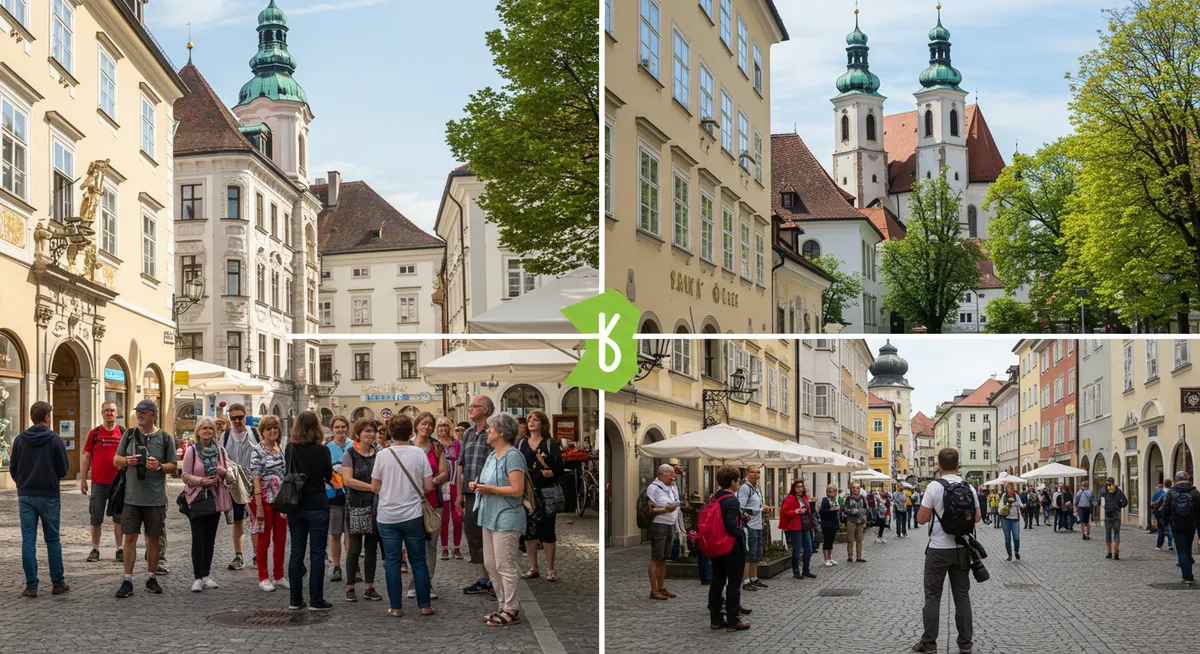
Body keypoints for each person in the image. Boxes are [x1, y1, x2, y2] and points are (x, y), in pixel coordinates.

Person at [913, 448, 980, 654]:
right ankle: (965, 645)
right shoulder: (968, 487)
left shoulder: (934, 487)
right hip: (961, 548)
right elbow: (977, 518)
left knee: (933, 597)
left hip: (938, 549)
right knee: (962, 596)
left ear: (938, 466)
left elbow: (921, 519)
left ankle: (929, 644)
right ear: (958, 465)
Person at [370, 415, 434, 617]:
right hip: (413, 514)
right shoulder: (419, 453)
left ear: (390, 433)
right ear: (411, 432)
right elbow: (428, 486)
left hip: (387, 516)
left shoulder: (382, 455)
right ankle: (425, 605)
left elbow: (374, 486)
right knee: (419, 561)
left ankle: (395, 607)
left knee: (392, 561)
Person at [113, 399, 177, 598]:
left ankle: (151, 577)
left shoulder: (164, 438)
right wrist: (127, 461)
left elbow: (173, 466)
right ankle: (127, 580)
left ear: (154, 415)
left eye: (143, 412)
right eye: (138, 412)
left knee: (153, 539)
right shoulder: (129, 434)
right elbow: (116, 460)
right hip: (131, 498)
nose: (139, 415)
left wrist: (159, 466)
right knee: (130, 538)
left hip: (155, 499)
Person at [473, 412, 528, 626]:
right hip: (488, 515)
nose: (488, 431)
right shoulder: (491, 455)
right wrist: (477, 485)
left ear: (502, 432)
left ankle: (511, 609)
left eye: (491, 428)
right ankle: (502, 605)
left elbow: (517, 489)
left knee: (505, 564)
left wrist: (492, 489)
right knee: (491, 564)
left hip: (507, 516)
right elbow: (487, 481)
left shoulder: (513, 456)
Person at [10, 401, 70, 597]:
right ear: (47, 417)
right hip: (49, 495)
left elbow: (13, 469)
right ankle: (58, 583)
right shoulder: (55, 440)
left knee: (28, 540)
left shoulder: (20, 440)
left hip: (26, 495)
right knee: (53, 540)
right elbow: (63, 469)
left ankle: (31, 585)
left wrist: (22, 484)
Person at [284, 411, 335, 611]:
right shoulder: (322, 450)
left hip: (295, 504)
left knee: (296, 552)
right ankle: (316, 600)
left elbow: (287, 472)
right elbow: (328, 474)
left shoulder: (290, 448)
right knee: (317, 554)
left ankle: (295, 600)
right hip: (317, 505)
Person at [181, 417, 234, 592]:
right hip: (196, 499)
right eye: (204, 428)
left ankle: (206, 575)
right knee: (198, 539)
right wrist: (202, 481)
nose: (207, 431)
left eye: (210, 428)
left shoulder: (220, 451)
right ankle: (197, 577)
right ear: (198, 431)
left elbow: (230, 478)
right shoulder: (192, 451)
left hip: (215, 499)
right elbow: (185, 476)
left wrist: (223, 472)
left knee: (210, 540)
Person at [518, 410, 564, 582]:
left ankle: (551, 569)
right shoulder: (521, 443)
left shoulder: (550, 444)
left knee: (548, 530)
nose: (531, 422)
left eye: (535, 420)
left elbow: (560, 466)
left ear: (542, 424)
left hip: (546, 492)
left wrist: (552, 473)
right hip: (527, 492)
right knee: (529, 531)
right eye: (530, 420)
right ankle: (533, 567)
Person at [341, 418, 382, 602]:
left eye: (372, 431)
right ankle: (350, 586)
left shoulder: (378, 453)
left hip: (375, 506)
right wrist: (371, 487)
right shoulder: (349, 454)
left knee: (372, 548)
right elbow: (348, 480)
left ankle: (369, 587)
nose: (370, 434)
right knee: (354, 548)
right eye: (366, 431)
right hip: (356, 505)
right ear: (358, 434)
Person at [409, 412, 449, 598]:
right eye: (423, 423)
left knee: (430, 544)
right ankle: (414, 581)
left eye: (430, 424)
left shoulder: (437, 447)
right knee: (413, 543)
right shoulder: (407, 445)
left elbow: (445, 473)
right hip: (410, 501)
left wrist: (433, 481)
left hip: (433, 502)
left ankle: (427, 582)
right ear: (416, 425)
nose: (427, 427)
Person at [457, 396, 495, 595]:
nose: (470, 409)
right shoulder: (468, 433)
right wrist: (458, 494)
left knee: (491, 536)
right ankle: (483, 579)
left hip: (489, 492)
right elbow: (460, 464)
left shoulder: (494, 431)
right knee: (473, 536)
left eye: (474, 406)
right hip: (470, 493)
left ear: (485, 409)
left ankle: (496, 581)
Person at [80, 401, 124, 562]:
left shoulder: (123, 432)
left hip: (118, 484)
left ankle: (120, 549)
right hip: (98, 482)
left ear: (116, 413)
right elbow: (87, 458)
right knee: (96, 517)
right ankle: (95, 549)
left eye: (112, 411)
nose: (109, 413)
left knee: (118, 518)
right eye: (106, 411)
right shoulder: (95, 433)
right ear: (101, 413)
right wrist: (83, 480)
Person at [708, 465, 750, 631]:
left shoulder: (715, 497)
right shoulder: (732, 500)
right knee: (733, 583)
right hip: (731, 546)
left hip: (716, 544)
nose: (739, 483)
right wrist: (741, 535)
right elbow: (730, 525)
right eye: (738, 480)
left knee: (717, 581)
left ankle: (716, 618)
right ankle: (733, 619)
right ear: (733, 481)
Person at [250, 416, 289, 591]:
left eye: (275, 428)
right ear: (262, 432)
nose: (273, 431)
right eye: (268, 429)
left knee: (280, 540)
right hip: (264, 499)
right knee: (263, 541)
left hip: (280, 500)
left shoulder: (280, 448)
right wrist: (259, 506)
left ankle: (279, 575)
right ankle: (263, 576)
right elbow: (256, 479)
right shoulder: (257, 451)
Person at [220, 404, 260, 572]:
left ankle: (258, 556)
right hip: (234, 485)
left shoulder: (255, 433)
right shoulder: (225, 436)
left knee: (256, 520)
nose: (237, 421)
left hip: (254, 483)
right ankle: (239, 555)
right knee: (237, 520)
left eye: (240, 417)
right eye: (233, 418)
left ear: (245, 417)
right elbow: (221, 457)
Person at [645, 463, 680, 600]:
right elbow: (648, 510)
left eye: (673, 473)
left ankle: (661, 587)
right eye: (670, 473)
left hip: (669, 524)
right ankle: (654, 590)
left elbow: (677, 501)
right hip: (658, 524)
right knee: (656, 557)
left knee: (664, 558)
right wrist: (665, 510)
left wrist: (675, 505)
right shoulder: (653, 488)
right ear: (661, 474)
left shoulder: (671, 487)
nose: (673, 476)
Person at [1161, 471, 1200, 585]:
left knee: (1181, 550)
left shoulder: (1171, 492)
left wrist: (1165, 522)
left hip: (1176, 525)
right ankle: (1189, 574)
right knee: (1188, 548)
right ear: (1188, 479)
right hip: (1191, 525)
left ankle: (1187, 576)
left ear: (1176, 480)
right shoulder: (1194, 492)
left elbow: (1165, 509)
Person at [737, 465, 772, 591]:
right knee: (749, 554)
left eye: (757, 472)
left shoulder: (756, 488)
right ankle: (746, 580)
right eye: (752, 472)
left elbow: (756, 505)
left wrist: (763, 508)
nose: (755, 474)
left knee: (757, 554)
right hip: (749, 525)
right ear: (747, 473)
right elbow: (741, 507)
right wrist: (759, 509)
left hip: (758, 525)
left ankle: (754, 578)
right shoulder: (745, 488)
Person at [326, 414, 351, 582]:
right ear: (332, 429)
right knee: (335, 533)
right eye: (337, 427)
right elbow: (323, 470)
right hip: (333, 496)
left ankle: (351, 565)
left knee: (350, 533)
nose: (340, 430)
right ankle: (336, 565)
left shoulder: (353, 446)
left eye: (343, 427)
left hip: (352, 496)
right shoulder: (327, 448)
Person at [436, 417, 463, 560]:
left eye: (445, 425)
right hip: (442, 485)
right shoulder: (435, 444)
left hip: (455, 483)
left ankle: (457, 546)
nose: (442, 428)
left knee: (458, 519)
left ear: (449, 427)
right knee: (444, 519)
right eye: (440, 426)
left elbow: (461, 463)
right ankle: (445, 547)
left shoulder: (456, 443)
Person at [780, 479, 816, 579]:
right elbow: (784, 511)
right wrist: (796, 512)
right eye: (798, 487)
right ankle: (796, 571)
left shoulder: (804, 498)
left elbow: (809, 512)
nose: (800, 489)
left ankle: (806, 570)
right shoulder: (790, 498)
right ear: (794, 488)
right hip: (795, 527)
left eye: (802, 486)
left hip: (806, 525)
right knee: (797, 549)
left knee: (808, 549)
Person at [1098, 476, 1128, 560]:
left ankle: (1109, 552)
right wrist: (1119, 506)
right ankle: (1116, 551)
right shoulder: (1118, 490)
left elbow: (1099, 501)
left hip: (1108, 514)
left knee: (1108, 533)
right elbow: (1125, 502)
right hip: (1116, 514)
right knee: (1116, 533)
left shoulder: (1103, 490)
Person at [842, 483, 868, 563]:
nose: (856, 489)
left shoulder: (862, 498)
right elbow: (845, 509)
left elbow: (866, 508)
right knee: (850, 539)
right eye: (854, 488)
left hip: (860, 521)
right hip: (851, 520)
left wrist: (864, 513)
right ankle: (850, 556)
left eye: (858, 488)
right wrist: (854, 511)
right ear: (851, 489)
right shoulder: (848, 498)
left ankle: (859, 557)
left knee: (859, 539)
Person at [999, 483, 1023, 561]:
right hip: (1005, 519)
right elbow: (1000, 507)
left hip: (1015, 519)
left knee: (1016, 537)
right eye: (1008, 489)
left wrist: (1018, 504)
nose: (1010, 491)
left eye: (1011, 489)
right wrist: (1007, 505)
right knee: (1007, 538)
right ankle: (1009, 555)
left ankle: (1016, 551)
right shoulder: (1004, 496)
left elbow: (1020, 504)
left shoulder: (1016, 496)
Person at [818, 484, 841, 566]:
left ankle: (830, 558)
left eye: (833, 491)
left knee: (831, 541)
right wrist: (833, 509)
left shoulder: (836, 500)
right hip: (826, 524)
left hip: (834, 523)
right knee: (827, 541)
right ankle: (826, 559)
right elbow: (823, 512)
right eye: (830, 491)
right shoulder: (825, 500)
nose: (832, 493)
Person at [1153, 479, 1175, 551]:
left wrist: (1155, 514)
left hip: (1161, 514)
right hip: (1170, 514)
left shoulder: (1159, 492)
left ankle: (1159, 545)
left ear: (1164, 484)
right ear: (1171, 484)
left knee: (1161, 530)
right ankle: (1169, 545)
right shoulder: (1173, 492)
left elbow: (1154, 502)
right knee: (1169, 529)